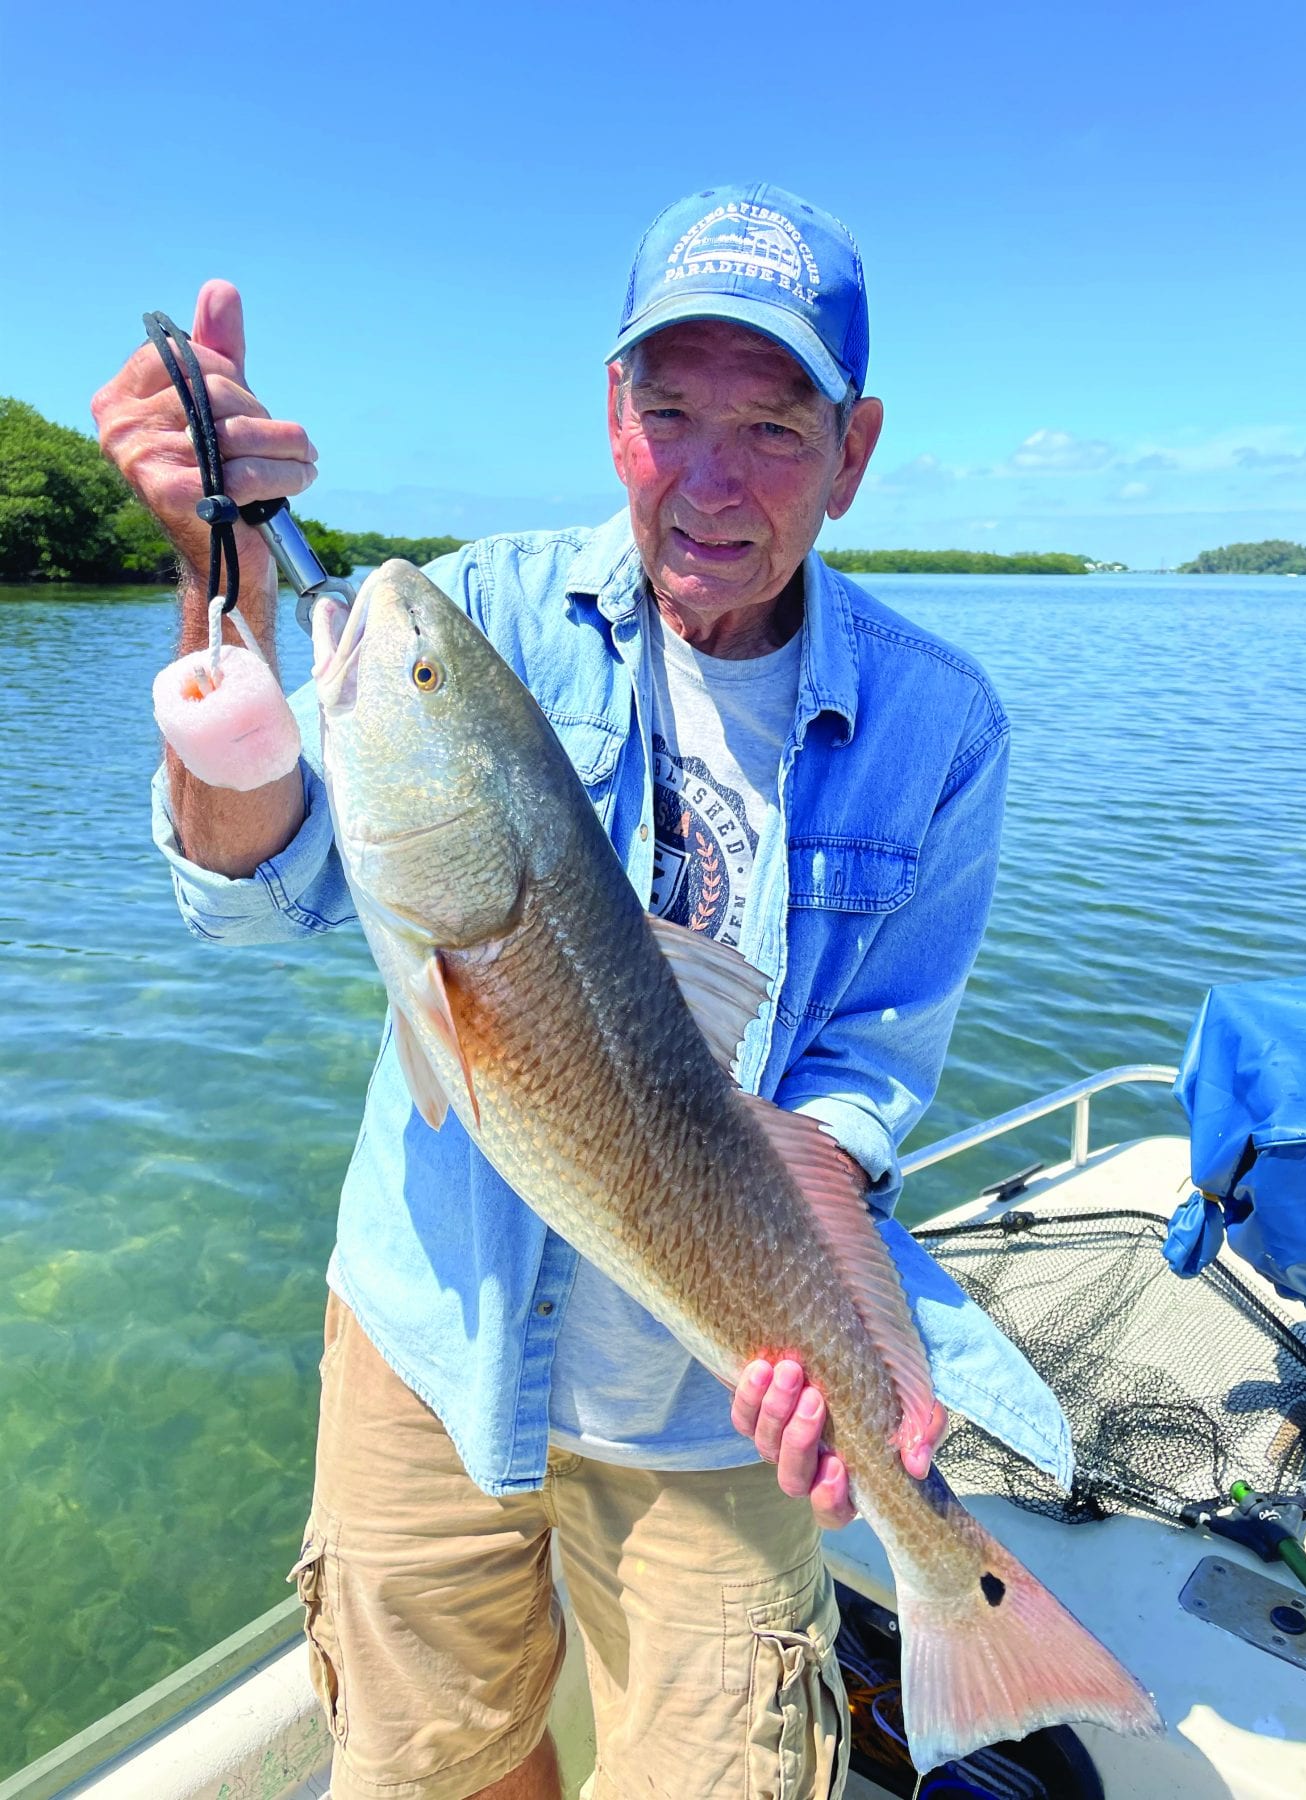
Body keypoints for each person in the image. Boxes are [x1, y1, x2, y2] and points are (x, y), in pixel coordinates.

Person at [94, 183, 1069, 1800]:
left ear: (856, 447)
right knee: (432, 1768)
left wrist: (841, 1350)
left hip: (717, 1415)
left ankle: (957, 1590)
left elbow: (854, 1086)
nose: (707, 476)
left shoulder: (938, 726)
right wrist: (231, 616)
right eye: (667, 409)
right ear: (610, 412)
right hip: (432, 1345)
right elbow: (256, 901)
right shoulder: (468, 617)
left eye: (770, 425)